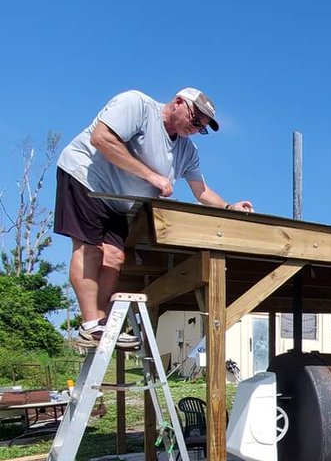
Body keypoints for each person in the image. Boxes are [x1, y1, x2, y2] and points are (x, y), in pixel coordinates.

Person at [55, 88, 253, 349]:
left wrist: (229, 206)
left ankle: (100, 325)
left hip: (118, 201)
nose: (196, 129)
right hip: (87, 180)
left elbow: (201, 191)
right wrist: (150, 176)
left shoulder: (187, 151)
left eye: (201, 128)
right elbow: (101, 139)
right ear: (179, 103)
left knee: (114, 257)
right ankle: (90, 324)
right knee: (90, 249)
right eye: (195, 121)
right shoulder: (138, 105)